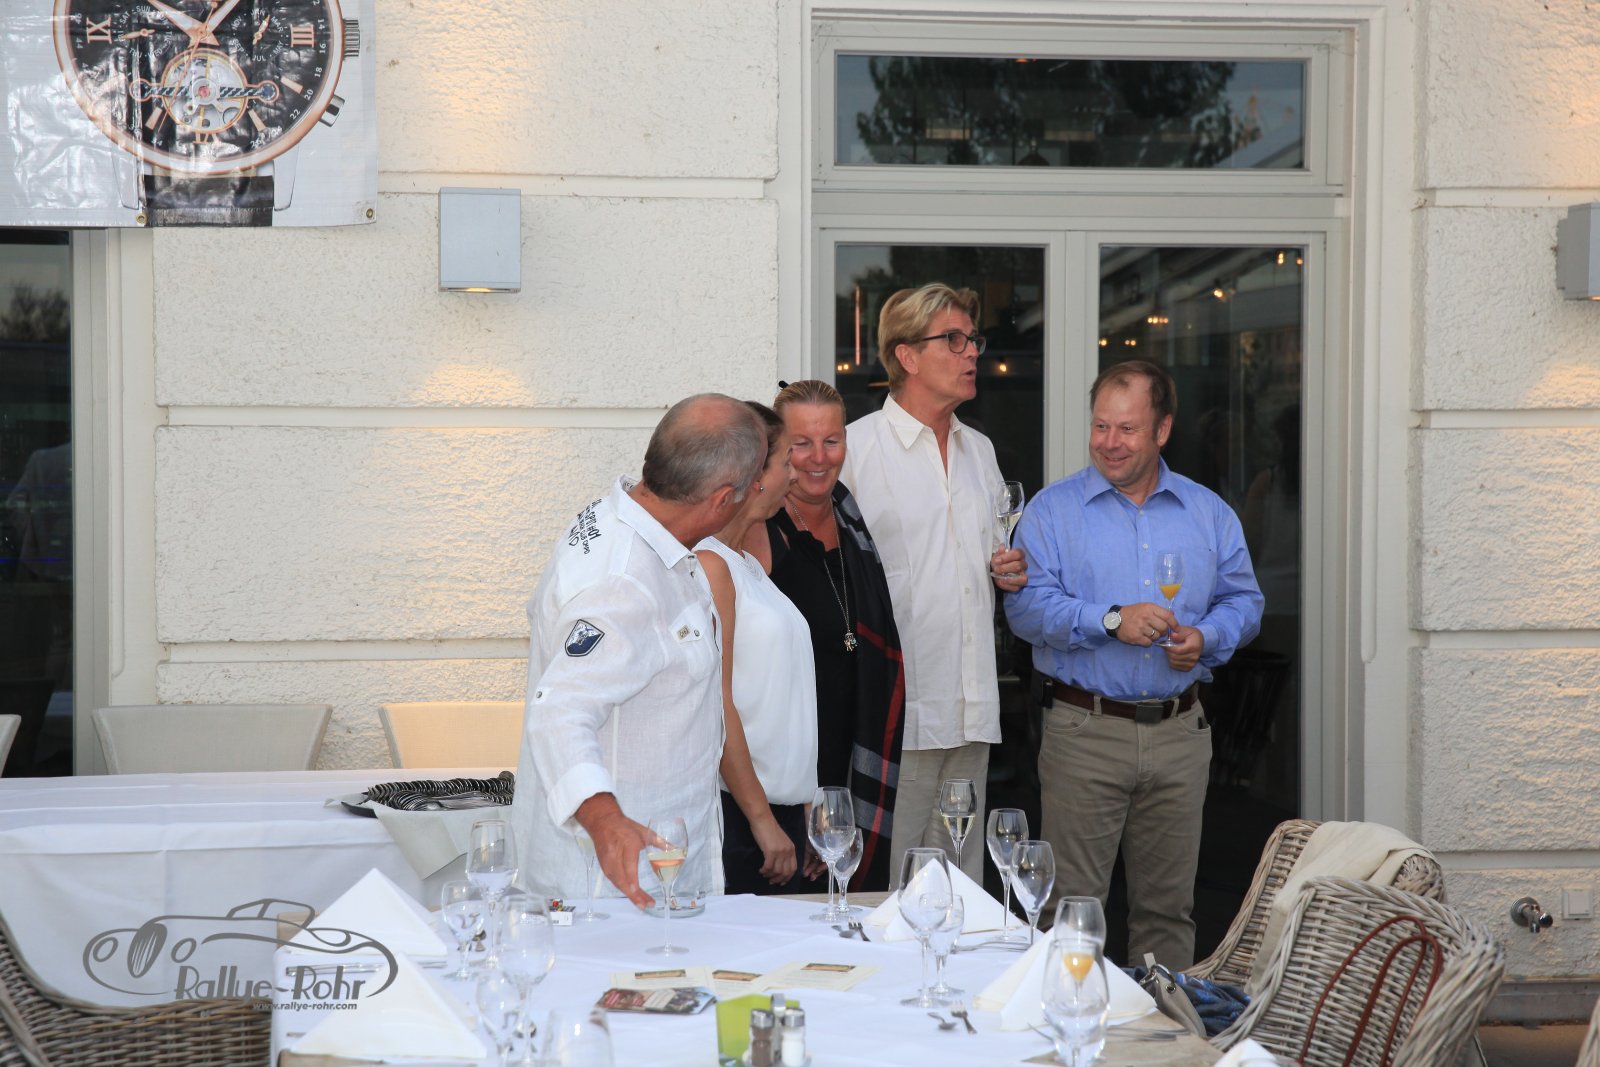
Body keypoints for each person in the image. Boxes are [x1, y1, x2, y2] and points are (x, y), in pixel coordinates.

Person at [1004, 359, 1264, 969]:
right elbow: (1026, 612)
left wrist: (1206, 636)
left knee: (1168, 912)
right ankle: (1070, 1023)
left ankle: (1164, 1025)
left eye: (1127, 428)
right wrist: (1110, 619)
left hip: (1180, 734)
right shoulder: (1052, 511)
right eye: (1100, 426)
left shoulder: (1208, 512)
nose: (1110, 442)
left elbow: (1245, 601)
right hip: (1085, 733)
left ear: (1162, 430)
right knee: (1070, 911)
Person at [510, 393, 767, 907]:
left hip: (657, 867)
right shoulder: (625, 582)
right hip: (616, 886)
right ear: (722, 498)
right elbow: (558, 710)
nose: (760, 490)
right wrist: (606, 821)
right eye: (756, 481)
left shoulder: (624, 520)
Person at [837, 284, 1027, 884]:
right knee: (889, 889)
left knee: (960, 886)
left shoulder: (980, 450)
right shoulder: (856, 450)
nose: (972, 353)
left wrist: (1008, 571)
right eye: (953, 339)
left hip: (971, 705)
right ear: (907, 355)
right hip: (900, 708)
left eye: (973, 340)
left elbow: (988, 558)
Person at [747, 379, 905, 891]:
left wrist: (838, 805)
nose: (819, 458)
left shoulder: (850, 516)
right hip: (784, 777)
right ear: (775, 448)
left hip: (849, 764)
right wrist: (797, 806)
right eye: (801, 443)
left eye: (831, 441)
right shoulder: (756, 530)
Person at [698, 401, 817, 894]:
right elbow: (718, 703)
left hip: (780, 816)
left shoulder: (747, 565)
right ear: (755, 475)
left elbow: (783, 697)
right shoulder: (711, 565)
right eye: (786, 461)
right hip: (745, 820)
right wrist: (763, 821)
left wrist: (806, 805)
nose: (795, 475)